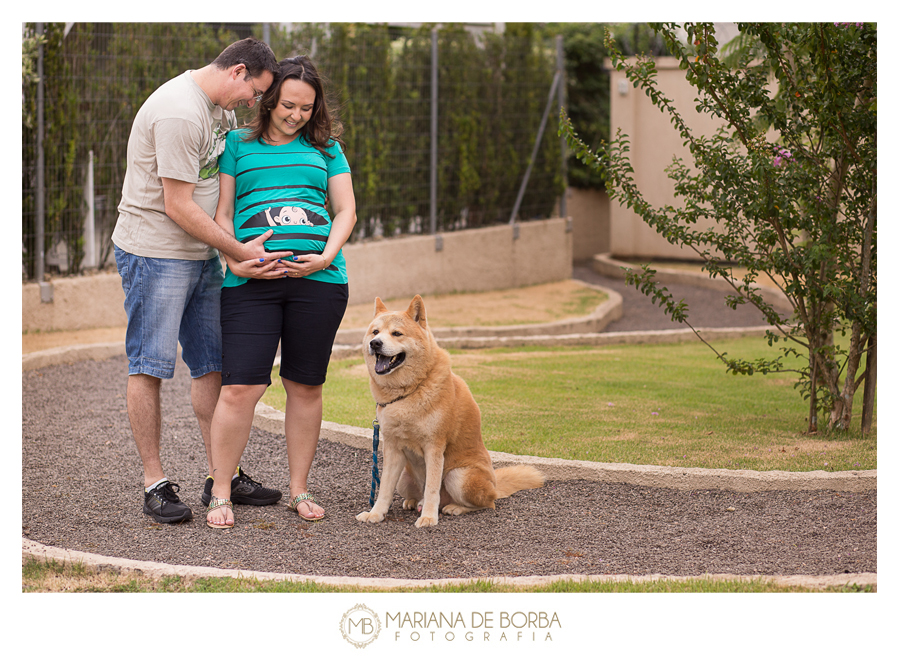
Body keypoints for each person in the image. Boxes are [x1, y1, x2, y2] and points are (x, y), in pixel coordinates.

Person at [113, 37, 293, 524]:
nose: (252, 103)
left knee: (212, 365)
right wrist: (237, 252)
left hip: (200, 255)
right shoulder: (179, 111)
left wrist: (225, 250)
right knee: (149, 365)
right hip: (156, 253)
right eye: (254, 92)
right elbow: (178, 205)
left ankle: (222, 473)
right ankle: (155, 483)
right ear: (237, 71)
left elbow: (214, 186)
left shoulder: (218, 109)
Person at [205, 55, 357, 529]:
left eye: (307, 109)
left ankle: (299, 489)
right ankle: (221, 492)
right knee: (240, 388)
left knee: (305, 386)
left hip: (319, 284)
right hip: (251, 283)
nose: (296, 115)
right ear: (269, 100)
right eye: (288, 105)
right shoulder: (236, 144)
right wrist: (234, 260)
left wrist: (327, 257)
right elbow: (223, 213)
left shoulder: (328, 149)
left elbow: (346, 211)